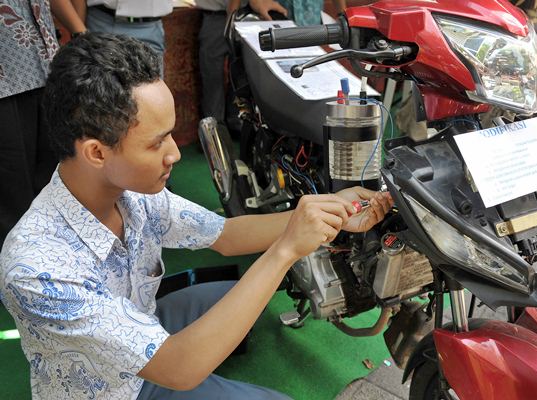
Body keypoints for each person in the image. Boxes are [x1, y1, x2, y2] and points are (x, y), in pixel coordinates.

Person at [0, 33, 393, 399]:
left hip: (140, 322)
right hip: (113, 391)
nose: (174, 154)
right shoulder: (36, 267)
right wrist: (285, 250)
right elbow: (179, 369)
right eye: (157, 143)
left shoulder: (133, 194)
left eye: (171, 134)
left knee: (236, 300)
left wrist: (331, 212)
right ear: (97, 153)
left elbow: (225, 235)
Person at [0, 0, 60, 249]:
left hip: (45, 66)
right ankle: (15, 268)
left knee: (53, 175)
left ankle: (53, 253)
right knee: (12, 186)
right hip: (5, 77)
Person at [50, 0, 172, 72]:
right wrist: (80, 33)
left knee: (151, 100)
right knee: (100, 101)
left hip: (150, 27)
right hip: (102, 23)